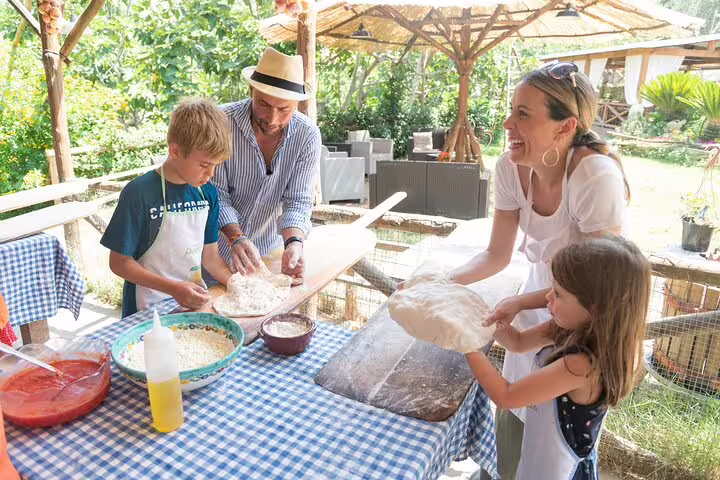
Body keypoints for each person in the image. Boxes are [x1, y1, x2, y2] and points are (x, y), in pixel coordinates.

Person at [442, 62, 631, 480]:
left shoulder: (595, 177)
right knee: (515, 432)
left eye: (524, 114)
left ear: (566, 128)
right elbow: (495, 255)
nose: (508, 123)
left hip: (577, 319)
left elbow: (597, 286)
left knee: (555, 440)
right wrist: (438, 287)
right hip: (543, 310)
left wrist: (506, 311)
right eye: (512, 110)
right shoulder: (510, 167)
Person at [466, 236, 650, 480]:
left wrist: (466, 344)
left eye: (559, 294)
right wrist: (490, 324)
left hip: (560, 471)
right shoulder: (572, 326)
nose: (547, 298)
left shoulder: (582, 365)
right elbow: (518, 342)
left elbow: (506, 396)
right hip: (540, 457)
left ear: (594, 308)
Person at [101, 98, 233, 318]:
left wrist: (240, 284)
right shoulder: (139, 193)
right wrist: (173, 288)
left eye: (216, 165)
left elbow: (210, 258)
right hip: (146, 310)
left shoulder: (208, 194)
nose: (211, 174)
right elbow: (119, 263)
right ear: (175, 151)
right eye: (204, 165)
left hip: (191, 304)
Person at [212, 47, 321, 286]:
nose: (272, 119)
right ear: (251, 90)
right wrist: (236, 238)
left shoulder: (307, 135)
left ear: (297, 104)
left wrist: (293, 244)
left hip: (268, 255)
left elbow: (298, 199)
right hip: (212, 256)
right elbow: (215, 193)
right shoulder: (220, 122)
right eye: (263, 104)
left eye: (284, 109)